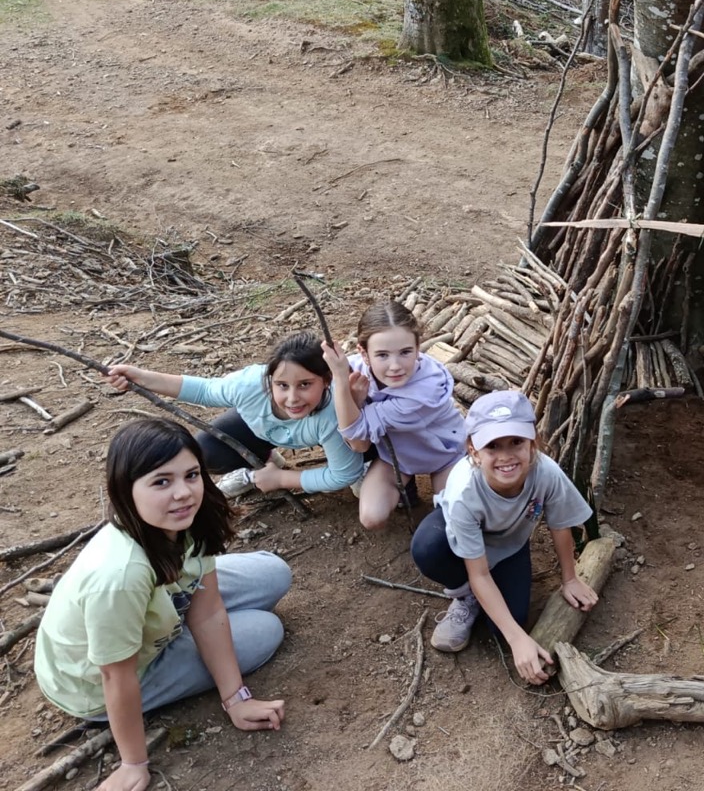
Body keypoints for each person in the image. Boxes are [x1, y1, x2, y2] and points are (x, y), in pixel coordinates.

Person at [35, 419, 289, 791]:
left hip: (156, 606)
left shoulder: (182, 523)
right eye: (161, 482)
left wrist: (236, 698)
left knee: (273, 573)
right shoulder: (120, 575)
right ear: (125, 488)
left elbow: (208, 609)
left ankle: (167, 625)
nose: (183, 493)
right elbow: (115, 675)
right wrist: (133, 764)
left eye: (191, 475)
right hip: (93, 682)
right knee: (266, 630)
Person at [410, 390, 597, 684]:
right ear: (473, 450)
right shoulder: (464, 493)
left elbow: (560, 525)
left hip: (509, 542)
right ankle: (465, 598)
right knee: (427, 548)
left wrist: (570, 578)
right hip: (460, 542)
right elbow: (479, 573)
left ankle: (491, 594)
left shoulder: (546, 472)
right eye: (493, 446)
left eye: (516, 442)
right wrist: (518, 640)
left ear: (533, 442)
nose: (506, 456)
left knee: (508, 625)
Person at [106, 332, 363, 498]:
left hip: (325, 431)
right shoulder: (249, 385)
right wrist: (141, 377)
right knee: (206, 452)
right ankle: (264, 460)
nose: (292, 397)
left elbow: (342, 475)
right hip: (263, 428)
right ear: (269, 380)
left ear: (326, 381)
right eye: (282, 385)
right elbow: (204, 390)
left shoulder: (335, 410)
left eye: (305, 384)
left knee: (352, 470)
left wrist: (282, 479)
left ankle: (367, 466)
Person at [320, 300, 465, 530]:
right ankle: (403, 488)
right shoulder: (356, 368)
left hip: (444, 454)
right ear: (363, 353)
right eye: (382, 355)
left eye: (405, 352)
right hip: (397, 457)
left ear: (418, 348)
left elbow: (357, 440)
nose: (395, 365)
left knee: (455, 516)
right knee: (372, 517)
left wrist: (343, 385)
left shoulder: (424, 392)